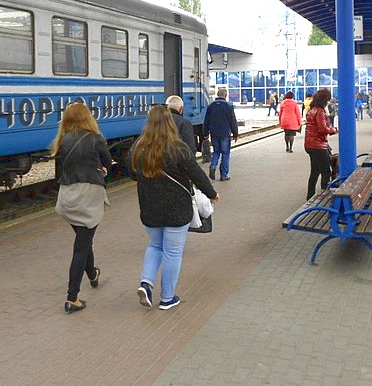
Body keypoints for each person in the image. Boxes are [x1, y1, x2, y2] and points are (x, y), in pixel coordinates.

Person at [130, 105, 218, 310]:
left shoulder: (138, 148)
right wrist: (212, 194)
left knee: (155, 246)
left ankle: (146, 284)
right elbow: (197, 175)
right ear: (170, 123)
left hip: (149, 208)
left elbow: (132, 174)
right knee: (172, 252)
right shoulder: (178, 148)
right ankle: (167, 298)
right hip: (177, 210)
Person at [50, 102, 112, 314]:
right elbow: (108, 162)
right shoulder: (96, 139)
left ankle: (93, 273)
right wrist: (101, 169)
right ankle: (72, 298)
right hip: (88, 197)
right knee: (81, 247)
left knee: (84, 240)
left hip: (68, 197)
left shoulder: (63, 140)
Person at [304, 89, 338, 200]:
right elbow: (322, 129)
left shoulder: (312, 110)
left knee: (315, 171)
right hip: (318, 145)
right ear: (323, 100)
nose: (328, 102)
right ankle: (325, 197)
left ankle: (310, 196)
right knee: (326, 171)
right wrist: (334, 130)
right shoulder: (319, 112)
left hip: (310, 144)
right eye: (327, 100)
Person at [203, 87, 239, 181]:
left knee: (216, 152)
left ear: (217, 95)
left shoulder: (211, 106)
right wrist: (235, 134)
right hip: (225, 133)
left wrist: (205, 133)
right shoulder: (228, 106)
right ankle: (224, 175)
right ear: (225, 95)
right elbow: (233, 121)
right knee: (225, 153)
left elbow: (206, 121)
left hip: (214, 133)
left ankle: (213, 166)